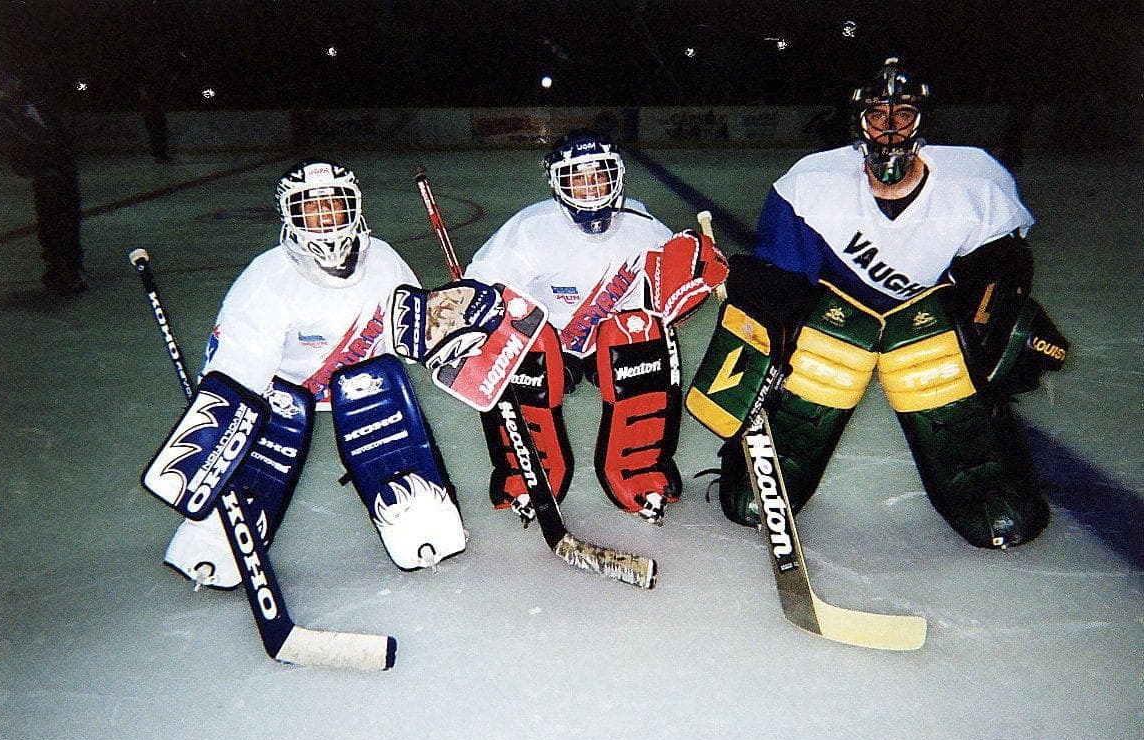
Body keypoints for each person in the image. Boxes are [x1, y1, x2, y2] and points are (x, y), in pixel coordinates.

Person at [686, 58, 1068, 549]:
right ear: (858, 123)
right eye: (877, 117)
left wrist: (992, 327)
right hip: (838, 323)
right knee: (824, 360)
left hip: (926, 325)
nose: (889, 131)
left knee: (938, 359)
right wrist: (762, 317)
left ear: (922, 121)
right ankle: (766, 461)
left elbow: (1000, 269)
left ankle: (983, 474)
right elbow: (781, 281)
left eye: (902, 115)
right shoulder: (809, 183)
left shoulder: (976, 181)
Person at [160, 159, 465, 588]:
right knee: (266, 422)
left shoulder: (384, 261)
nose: (324, 220)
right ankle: (228, 519)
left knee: (376, 396)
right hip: (281, 396)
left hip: (369, 391)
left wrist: (455, 326)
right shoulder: (267, 279)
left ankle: (413, 508)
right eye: (310, 208)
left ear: (354, 208)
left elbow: (413, 336)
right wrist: (215, 436)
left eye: (334, 206)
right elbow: (234, 375)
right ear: (289, 216)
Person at [465, 128, 726, 525]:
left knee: (646, 337)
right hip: (550, 343)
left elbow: (671, 287)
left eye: (599, 175)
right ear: (557, 183)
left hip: (615, 344)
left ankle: (640, 471)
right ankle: (527, 475)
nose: (590, 188)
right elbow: (481, 284)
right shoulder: (531, 228)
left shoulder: (641, 223)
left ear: (616, 176)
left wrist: (698, 272)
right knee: (523, 352)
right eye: (577, 177)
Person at [0, 66, 88, 295]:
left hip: (61, 171)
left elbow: (61, 132)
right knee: (51, 224)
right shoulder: (8, 115)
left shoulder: (39, 104)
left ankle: (71, 269)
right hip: (46, 175)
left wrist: (59, 161)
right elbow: (17, 150)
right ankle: (60, 269)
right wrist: (37, 167)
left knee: (66, 221)